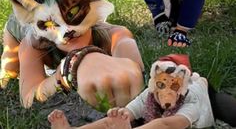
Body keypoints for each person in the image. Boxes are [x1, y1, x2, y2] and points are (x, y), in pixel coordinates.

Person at [0, 0, 143, 108]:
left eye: (73, 13)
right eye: (50, 25)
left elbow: (131, 58)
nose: (66, 31)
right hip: (15, 30)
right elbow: (28, 98)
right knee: (8, 73)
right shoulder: (31, 45)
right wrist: (67, 71)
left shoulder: (112, 33)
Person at [48, 54, 236, 129]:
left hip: (209, 101)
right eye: (162, 86)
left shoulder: (192, 99)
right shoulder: (148, 95)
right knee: (118, 118)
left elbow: (168, 125)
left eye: (175, 87)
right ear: (153, 86)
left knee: (229, 109)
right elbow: (118, 118)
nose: (167, 93)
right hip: (153, 116)